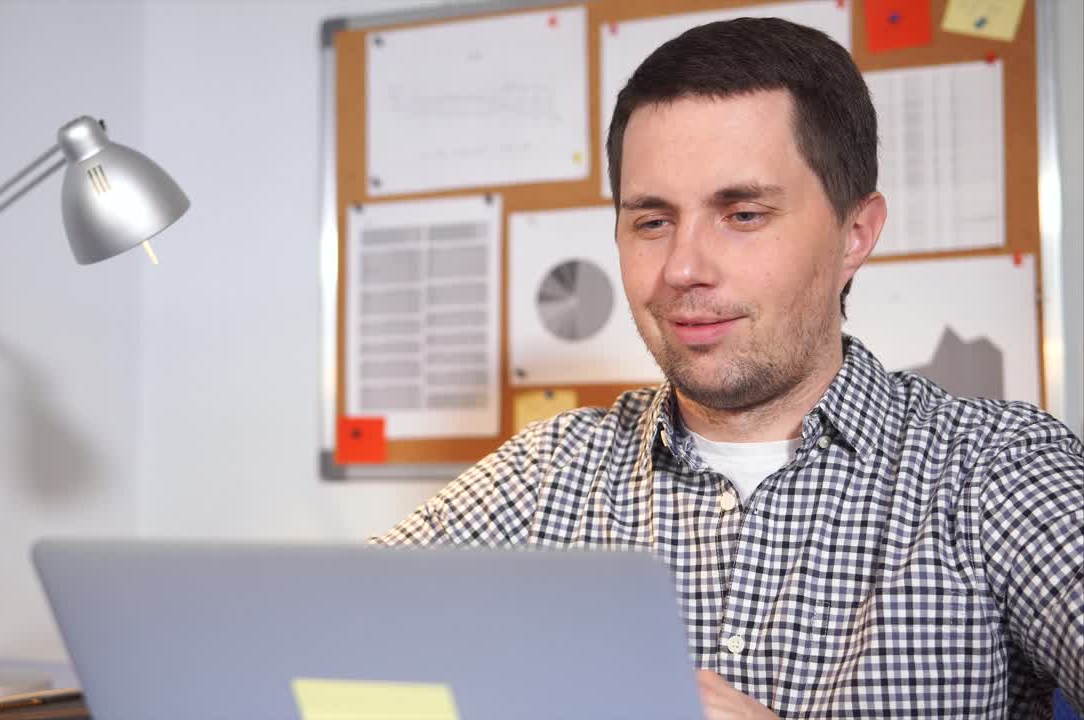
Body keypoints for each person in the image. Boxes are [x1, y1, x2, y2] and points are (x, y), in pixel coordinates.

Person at [375, 17, 1083, 719]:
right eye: (651, 222)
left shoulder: (995, 471)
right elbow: (317, 642)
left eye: (742, 214)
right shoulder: (546, 476)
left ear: (855, 234)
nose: (682, 268)